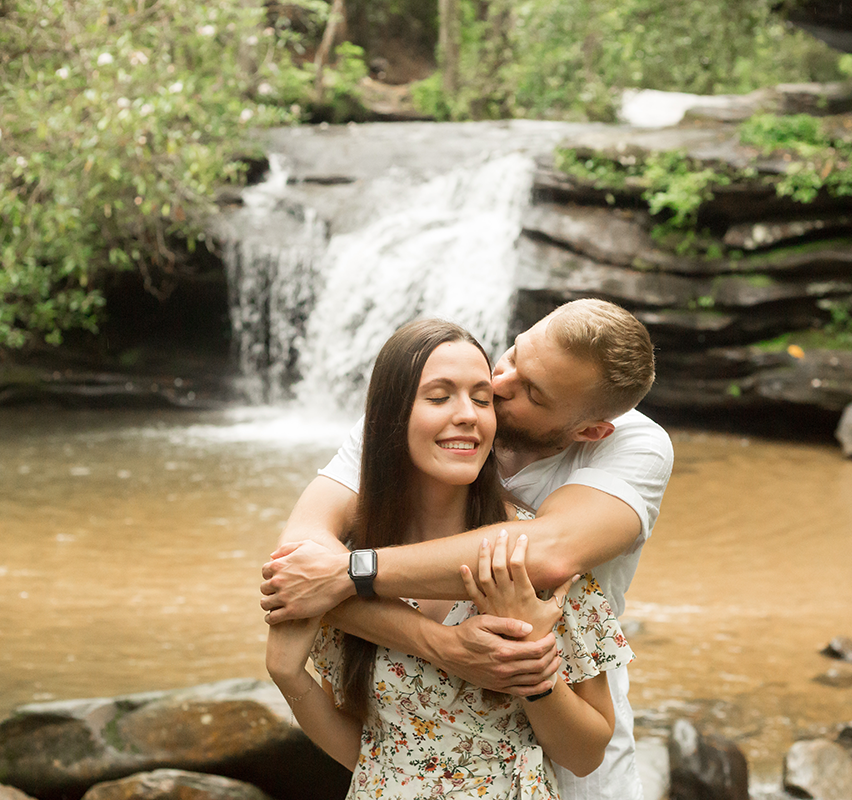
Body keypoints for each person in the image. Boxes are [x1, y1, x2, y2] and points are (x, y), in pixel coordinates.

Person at [261, 298, 674, 800]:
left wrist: (348, 577)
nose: (497, 387)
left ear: (588, 430)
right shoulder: (430, 404)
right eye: (515, 354)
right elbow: (300, 567)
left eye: (530, 394)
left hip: (577, 780)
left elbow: (541, 555)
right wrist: (446, 648)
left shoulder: (632, 448)